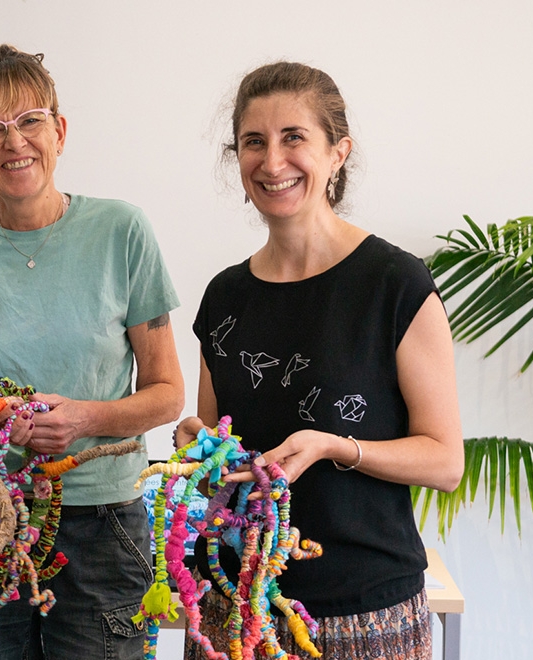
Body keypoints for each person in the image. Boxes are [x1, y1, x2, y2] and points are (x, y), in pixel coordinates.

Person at [0, 44, 185, 658]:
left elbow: (167, 394)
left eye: (29, 120)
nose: (14, 142)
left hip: (102, 522)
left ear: (59, 130)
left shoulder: (122, 231)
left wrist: (83, 418)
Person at [177, 62, 464, 660]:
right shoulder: (224, 296)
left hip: (366, 614)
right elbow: (215, 440)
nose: (272, 161)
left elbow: (444, 461)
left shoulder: (395, 284)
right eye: (254, 141)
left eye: (294, 138)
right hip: (235, 607)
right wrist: (196, 444)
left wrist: (338, 446)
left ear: (338, 153)